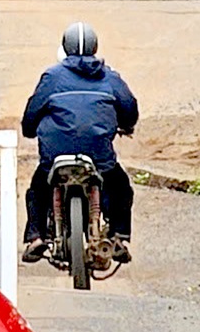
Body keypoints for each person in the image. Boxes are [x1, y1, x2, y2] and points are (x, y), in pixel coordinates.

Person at [19, 22, 139, 265]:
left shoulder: (52, 76)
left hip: (55, 155)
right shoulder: (110, 77)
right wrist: (125, 125)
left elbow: (31, 113)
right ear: (95, 47)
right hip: (98, 156)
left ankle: (36, 237)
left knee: (38, 187)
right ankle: (119, 237)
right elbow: (129, 109)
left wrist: (30, 130)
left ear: (65, 47)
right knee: (120, 186)